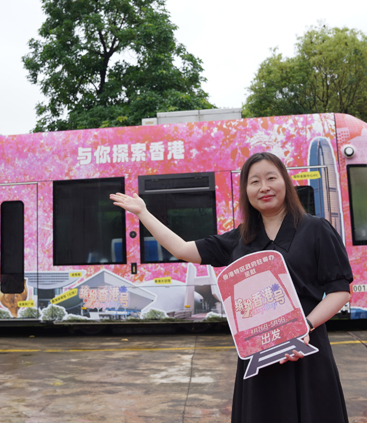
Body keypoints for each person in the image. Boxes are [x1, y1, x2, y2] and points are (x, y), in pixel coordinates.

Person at [111, 151, 352, 423]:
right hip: (259, 357)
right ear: (246, 191)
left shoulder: (316, 229)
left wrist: (302, 328)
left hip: (307, 348)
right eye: (254, 181)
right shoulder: (241, 238)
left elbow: (339, 290)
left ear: (285, 181)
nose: (264, 187)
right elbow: (182, 248)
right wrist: (143, 213)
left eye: (271, 178)